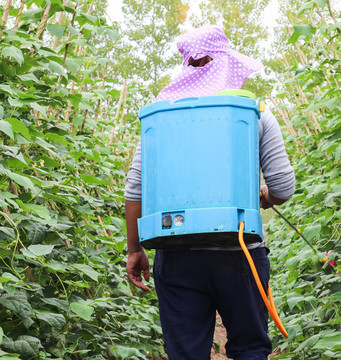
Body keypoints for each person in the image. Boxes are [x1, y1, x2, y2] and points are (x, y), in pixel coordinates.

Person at [124, 25, 295, 360]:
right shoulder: (254, 113)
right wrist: (266, 197)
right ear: (228, 62)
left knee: (186, 353)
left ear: (187, 66)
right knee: (249, 349)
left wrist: (135, 250)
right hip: (242, 251)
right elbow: (283, 188)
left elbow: (135, 188)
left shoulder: (161, 116)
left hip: (176, 254)